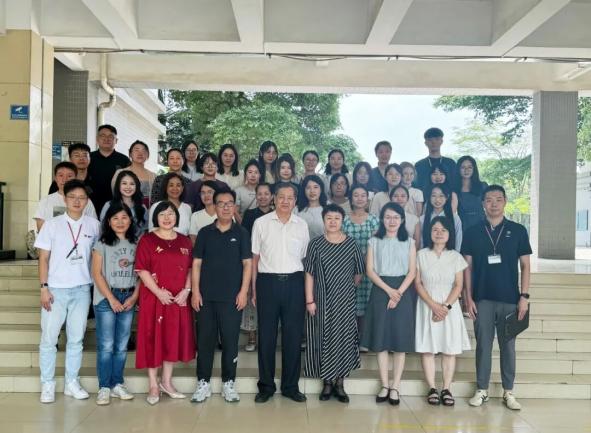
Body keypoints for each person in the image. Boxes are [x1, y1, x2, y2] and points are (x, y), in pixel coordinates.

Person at [462, 185, 532, 411]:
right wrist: (468, 297)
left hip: (510, 299)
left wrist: (524, 296)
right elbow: (467, 268)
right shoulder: (472, 231)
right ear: (482, 203)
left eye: (498, 199)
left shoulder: (518, 230)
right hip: (482, 298)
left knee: (508, 347)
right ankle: (481, 390)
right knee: (483, 345)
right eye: (489, 199)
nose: (494, 204)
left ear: (505, 202)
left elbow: (525, 265)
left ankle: (508, 391)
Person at [35, 179, 101, 404]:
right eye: (72, 197)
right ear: (64, 198)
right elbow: (43, 259)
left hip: (82, 290)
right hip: (55, 290)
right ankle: (47, 384)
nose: (77, 201)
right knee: (49, 339)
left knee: (76, 339)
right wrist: (44, 287)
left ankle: (72, 382)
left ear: (87, 201)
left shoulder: (94, 225)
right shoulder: (52, 225)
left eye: (82, 198)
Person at [190, 189, 252, 403]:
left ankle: (229, 383)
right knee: (205, 341)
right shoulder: (205, 233)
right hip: (205, 297)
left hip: (232, 298)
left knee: (230, 341)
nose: (226, 207)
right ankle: (203, 382)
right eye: (221, 203)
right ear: (214, 206)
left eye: (230, 203)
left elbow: (248, 264)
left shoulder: (242, 233)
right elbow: (196, 263)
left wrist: (243, 292)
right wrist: (195, 291)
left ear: (235, 206)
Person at [251, 182, 310, 403]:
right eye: (281, 197)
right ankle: (266, 386)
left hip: (295, 283)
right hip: (267, 283)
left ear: (295, 201)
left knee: (293, 337)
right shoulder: (261, 223)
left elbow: (304, 259)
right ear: (274, 199)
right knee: (266, 337)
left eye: (290, 197)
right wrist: (254, 289)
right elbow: (255, 258)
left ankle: (290, 386)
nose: (285, 201)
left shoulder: (301, 225)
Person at [135, 200, 196, 405]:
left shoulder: (184, 241)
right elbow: (142, 270)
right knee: (153, 338)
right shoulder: (147, 240)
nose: (167, 218)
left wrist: (187, 290)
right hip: (154, 298)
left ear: (177, 217)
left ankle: (166, 382)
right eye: (162, 214)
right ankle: (153, 384)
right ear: (156, 218)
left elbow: (191, 268)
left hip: (178, 299)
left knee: (172, 338)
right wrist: (158, 292)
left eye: (171, 213)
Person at [304, 204, 364, 403]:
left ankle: (340, 383)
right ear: (323, 220)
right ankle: (327, 383)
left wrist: (344, 287)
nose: (332, 221)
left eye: (336, 218)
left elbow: (358, 273)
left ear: (342, 221)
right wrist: (310, 300)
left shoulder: (352, 244)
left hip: (345, 302)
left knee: (344, 339)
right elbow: (309, 274)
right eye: (329, 218)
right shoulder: (315, 244)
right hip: (321, 300)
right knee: (324, 338)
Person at [361, 202, 416, 406]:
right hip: (380, 290)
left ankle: (396, 386)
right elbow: (370, 270)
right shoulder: (374, 241)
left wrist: (398, 293)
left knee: (400, 341)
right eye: (387, 217)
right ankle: (384, 385)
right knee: (381, 339)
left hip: (403, 290)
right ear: (382, 220)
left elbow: (412, 272)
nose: (391, 221)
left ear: (402, 220)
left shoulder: (409, 242)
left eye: (395, 217)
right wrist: (389, 291)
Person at [415, 216, 470, 407]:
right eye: (435, 230)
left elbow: (459, 285)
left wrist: (445, 307)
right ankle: (432, 388)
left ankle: (446, 388)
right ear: (429, 232)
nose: (439, 233)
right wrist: (433, 305)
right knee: (428, 348)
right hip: (426, 305)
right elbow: (418, 283)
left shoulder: (456, 256)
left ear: (449, 234)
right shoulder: (421, 254)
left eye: (443, 230)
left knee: (449, 349)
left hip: (450, 308)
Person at [91, 202, 139, 405]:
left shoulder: (137, 243)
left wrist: (134, 297)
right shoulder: (102, 243)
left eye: (124, 217)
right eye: (115, 218)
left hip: (128, 297)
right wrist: (111, 298)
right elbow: (96, 273)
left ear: (131, 220)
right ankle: (104, 386)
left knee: (121, 345)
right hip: (105, 299)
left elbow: (141, 274)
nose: (120, 222)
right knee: (106, 344)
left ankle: (117, 383)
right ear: (108, 222)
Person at [342, 185, 379, 343]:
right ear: (351, 198)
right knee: (350, 303)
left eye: (363, 195)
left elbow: (377, 244)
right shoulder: (344, 220)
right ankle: (351, 340)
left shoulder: (374, 220)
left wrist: (364, 261)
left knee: (368, 302)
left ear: (367, 199)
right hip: (348, 268)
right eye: (356, 195)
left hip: (370, 269)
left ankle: (365, 340)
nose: (359, 198)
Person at [240, 182, 273, 352]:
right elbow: (245, 239)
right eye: (259, 194)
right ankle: (252, 335)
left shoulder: (277, 213)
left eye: (266, 193)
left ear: (272, 196)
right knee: (252, 297)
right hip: (253, 260)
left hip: (272, 262)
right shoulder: (250, 214)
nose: (263, 197)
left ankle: (267, 336)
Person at [34, 162, 97, 232]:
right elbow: (41, 229)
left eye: (69, 176)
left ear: (76, 178)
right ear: (55, 178)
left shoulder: (85, 201)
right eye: (61, 175)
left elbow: (93, 227)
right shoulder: (45, 201)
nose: (65, 179)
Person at [88, 124, 130, 212]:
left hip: (116, 206)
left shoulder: (124, 160)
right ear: (97, 139)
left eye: (110, 136)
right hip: (90, 204)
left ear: (116, 140)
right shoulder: (88, 158)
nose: (106, 139)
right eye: (103, 135)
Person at [101, 170, 148, 237]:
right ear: (118, 185)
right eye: (124, 183)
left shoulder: (142, 208)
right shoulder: (109, 205)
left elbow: (144, 231)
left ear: (137, 186)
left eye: (132, 184)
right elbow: (103, 229)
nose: (128, 187)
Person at [112, 141, 156, 208]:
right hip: (124, 210)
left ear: (147, 155)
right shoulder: (120, 173)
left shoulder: (153, 176)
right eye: (136, 150)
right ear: (130, 154)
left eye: (143, 151)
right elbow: (115, 193)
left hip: (148, 211)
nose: (140, 153)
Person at [420, 184, 462, 252]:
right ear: (429, 197)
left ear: (447, 197)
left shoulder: (455, 218)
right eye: (434, 196)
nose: (437, 199)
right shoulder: (422, 219)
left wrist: (455, 255)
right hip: (428, 255)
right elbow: (421, 241)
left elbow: (458, 238)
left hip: (450, 255)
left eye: (441, 195)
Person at [414, 127, 456, 192]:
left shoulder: (450, 163)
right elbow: (416, 186)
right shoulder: (419, 165)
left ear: (441, 141)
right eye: (430, 140)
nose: (433, 142)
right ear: (425, 143)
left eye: (437, 139)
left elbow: (455, 184)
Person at [454, 156, 487, 233]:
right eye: (463, 167)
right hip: (463, 227)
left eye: (470, 167)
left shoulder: (482, 186)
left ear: (474, 169)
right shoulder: (454, 189)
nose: (466, 170)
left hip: (482, 225)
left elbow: (489, 206)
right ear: (458, 169)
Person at [296, 175, 327, 240]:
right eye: (308, 188)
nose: (312, 191)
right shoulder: (296, 210)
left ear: (321, 189)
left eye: (315, 187)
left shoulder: (329, 208)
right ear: (304, 190)